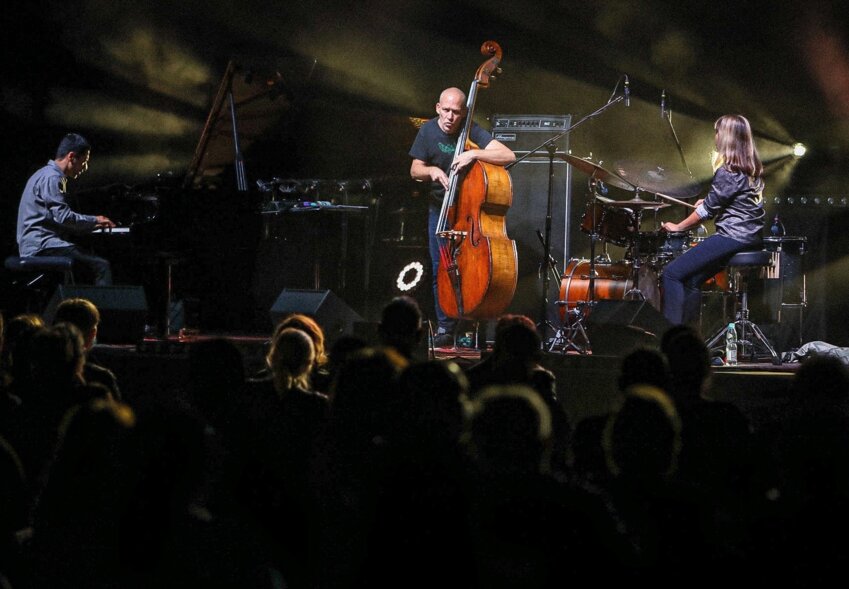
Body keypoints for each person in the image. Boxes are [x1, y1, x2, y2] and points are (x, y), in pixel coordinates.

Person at [409, 87, 515, 347]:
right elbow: (414, 170)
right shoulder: (428, 131)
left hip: (469, 212)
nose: (450, 117)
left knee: (470, 271)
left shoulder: (472, 131)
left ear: (464, 113)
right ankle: (445, 326)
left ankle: (469, 326)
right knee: (440, 269)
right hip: (440, 210)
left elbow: (508, 155)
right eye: (445, 110)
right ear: (437, 108)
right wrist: (432, 170)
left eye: (456, 112)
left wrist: (473, 153)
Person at [661, 115, 765, 325]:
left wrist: (678, 227)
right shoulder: (750, 169)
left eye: (717, 132)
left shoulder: (728, 171)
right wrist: (708, 201)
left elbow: (706, 212)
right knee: (692, 280)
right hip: (750, 236)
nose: (715, 137)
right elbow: (730, 202)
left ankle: (669, 337)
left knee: (671, 274)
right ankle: (687, 339)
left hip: (733, 237)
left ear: (726, 137)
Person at [16, 133, 116, 285]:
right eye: (84, 161)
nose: (85, 167)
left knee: (86, 262)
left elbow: (57, 219)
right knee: (101, 266)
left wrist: (90, 225)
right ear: (71, 157)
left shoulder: (44, 174)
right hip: (42, 246)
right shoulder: (53, 177)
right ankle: (94, 309)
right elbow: (64, 217)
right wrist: (95, 219)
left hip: (36, 244)